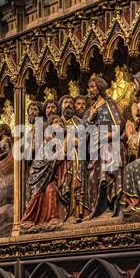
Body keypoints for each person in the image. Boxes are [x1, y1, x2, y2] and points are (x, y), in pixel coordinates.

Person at [82, 76, 126, 219]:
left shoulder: (108, 103)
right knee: (93, 177)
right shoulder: (89, 111)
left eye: (93, 87)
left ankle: (111, 206)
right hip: (93, 149)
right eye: (89, 87)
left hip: (108, 143)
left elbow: (119, 122)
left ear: (100, 88)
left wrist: (109, 136)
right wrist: (90, 118)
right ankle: (97, 211)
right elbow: (82, 133)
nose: (90, 90)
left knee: (108, 169)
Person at [21, 115, 67, 232]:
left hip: (51, 176)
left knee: (51, 190)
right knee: (36, 194)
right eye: (56, 122)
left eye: (61, 123)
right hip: (39, 172)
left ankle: (52, 218)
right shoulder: (48, 139)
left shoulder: (63, 140)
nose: (59, 124)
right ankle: (28, 220)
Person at [58, 95, 89, 223]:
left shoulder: (77, 122)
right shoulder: (57, 122)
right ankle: (70, 212)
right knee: (69, 182)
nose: (69, 105)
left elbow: (82, 141)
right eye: (66, 102)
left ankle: (81, 211)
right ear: (61, 106)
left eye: (72, 102)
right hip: (64, 160)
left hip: (79, 157)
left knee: (78, 180)